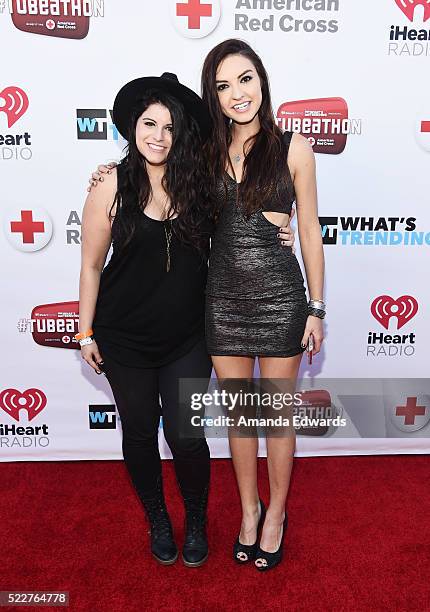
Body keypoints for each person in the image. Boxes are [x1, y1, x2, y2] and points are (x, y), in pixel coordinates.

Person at [76, 73, 217, 567]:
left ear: (182, 134)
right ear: (133, 127)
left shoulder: (202, 185)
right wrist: (84, 329)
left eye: (169, 126)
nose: (157, 135)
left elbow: (244, 230)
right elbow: (92, 265)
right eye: (148, 123)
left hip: (187, 338)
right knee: (138, 434)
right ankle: (158, 517)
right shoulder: (110, 185)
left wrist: (282, 233)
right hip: (124, 339)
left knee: (186, 437)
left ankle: (195, 518)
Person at [201, 39, 325, 571]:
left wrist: (316, 308)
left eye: (245, 78)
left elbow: (312, 231)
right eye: (224, 85)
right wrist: (104, 174)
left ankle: (276, 513)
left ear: (262, 81)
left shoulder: (294, 147)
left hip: (280, 300)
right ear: (214, 96)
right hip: (223, 301)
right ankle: (248, 510)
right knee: (239, 416)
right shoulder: (202, 151)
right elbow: (152, 175)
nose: (237, 94)